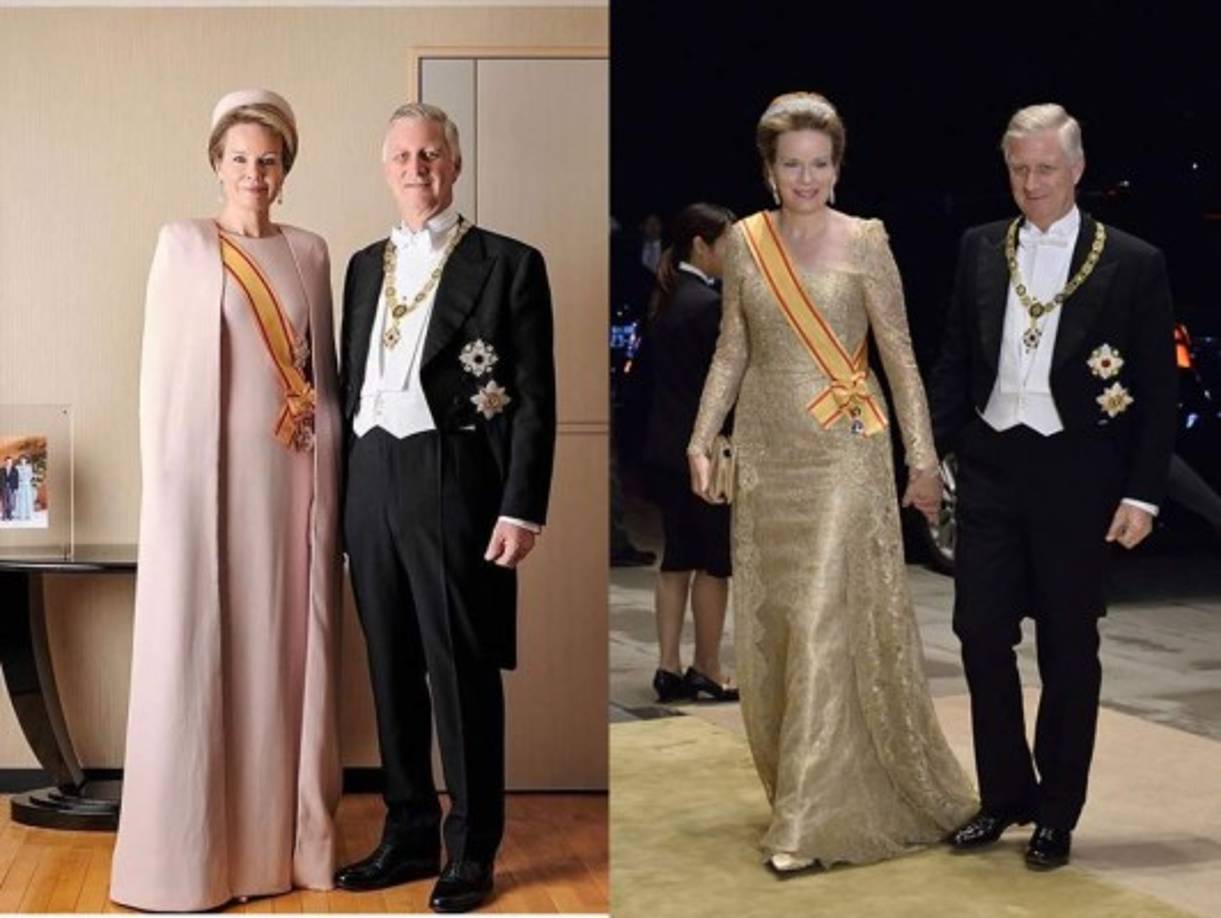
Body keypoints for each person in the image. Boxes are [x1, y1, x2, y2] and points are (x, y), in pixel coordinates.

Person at [687, 92, 977, 873]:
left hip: (847, 449)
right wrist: (701, 437)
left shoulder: (866, 240)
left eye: (819, 164)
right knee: (783, 624)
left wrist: (921, 459)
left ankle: (807, 823)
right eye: (792, 165)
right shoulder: (745, 242)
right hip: (768, 454)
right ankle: (812, 788)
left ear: (837, 168)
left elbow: (900, 356)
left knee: (823, 616)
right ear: (768, 170)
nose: (806, 178)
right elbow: (731, 349)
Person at [111, 89, 343, 911]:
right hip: (209, 485)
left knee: (280, 650)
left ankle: (274, 849)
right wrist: (169, 495)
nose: (254, 173)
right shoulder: (183, 244)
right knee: (207, 648)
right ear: (217, 164)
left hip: (291, 483)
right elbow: (162, 383)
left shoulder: (310, 251)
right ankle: (196, 858)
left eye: (268, 160)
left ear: (286, 168)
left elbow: (323, 377)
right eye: (240, 159)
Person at [932, 104, 1176, 870]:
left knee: (1068, 648)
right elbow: (954, 360)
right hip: (989, 467)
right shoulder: (978, 247)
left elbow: (1157, 390)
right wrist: (924, 455)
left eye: (1044, 168)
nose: (1031, 183)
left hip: (1078, 476)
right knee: (979, 633)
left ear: (1076, 169)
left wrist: (1141, 494)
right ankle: (1005, 793)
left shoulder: (1132, 262)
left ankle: (1056, 810)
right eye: (1018, 169)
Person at [334, 102, 555, 914]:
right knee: (389, 665)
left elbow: (534, 397)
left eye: (430, 154)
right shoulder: (362, 266)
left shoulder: (509, 263)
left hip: (454, 477)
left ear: (454, 165)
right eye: (402, 155)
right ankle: (406, 833)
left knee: (460, 669)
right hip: (370, 475)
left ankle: (471, 850)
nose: (416, 168)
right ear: (384, 167)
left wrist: (520, 508)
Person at [642, 203, 739, 703]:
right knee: (713, 561)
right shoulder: (708, 305)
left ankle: (667, 666)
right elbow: (724, 387)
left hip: (662, 448)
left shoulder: (666, 296)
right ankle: (708, 666)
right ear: (702, 245)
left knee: (677, 555)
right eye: (728, 243)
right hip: (703, 453)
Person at [15, 455, 34, 520]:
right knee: (21, 499)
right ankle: (21, 515)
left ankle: (29, 514)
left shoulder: (29, 467)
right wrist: (20, 480)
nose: (23, 460)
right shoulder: (17, 467)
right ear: (20, 460)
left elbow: (31, 475)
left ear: (26, 460)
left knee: (28, 499)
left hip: (27, 484)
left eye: (24, 459)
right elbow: (16, 476)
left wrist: (27, 479)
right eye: (21, 459)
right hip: (20, 484)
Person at [1, 457, 14, 521]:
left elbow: (16, 479)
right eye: (7, 461)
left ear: (11, 462)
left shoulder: (14, 469)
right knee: (4, 501)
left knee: (10, 501)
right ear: (5, 462)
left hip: (11, 487)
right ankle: (4, 515)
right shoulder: (1, 470)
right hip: (3, 487)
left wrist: (15, 487)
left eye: (10, 461)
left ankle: (10, 515)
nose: (9, 463)